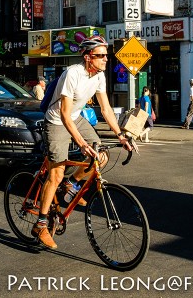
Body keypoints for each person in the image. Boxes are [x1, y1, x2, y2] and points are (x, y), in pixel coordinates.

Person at [32, 35, 133, 250]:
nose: (106, 59)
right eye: (101, 56)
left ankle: (72, 186)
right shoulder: (72, 74)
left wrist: (120, 135)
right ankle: (40, 224)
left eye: (107, 55)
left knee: (101, 155)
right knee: (56, 173)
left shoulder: (99, 76)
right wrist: (80, 142)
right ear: (88, 57)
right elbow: (65, 115)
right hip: (57, 119)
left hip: (76, 117)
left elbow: (105, 109)